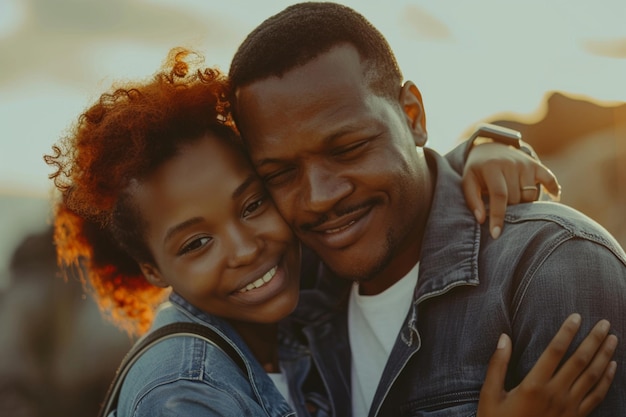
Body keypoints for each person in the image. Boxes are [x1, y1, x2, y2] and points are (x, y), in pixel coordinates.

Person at [44, 49, 612, 416]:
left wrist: (472, 156)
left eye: (253, 203)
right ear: (152, 270)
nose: (247, 249)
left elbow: (376, 181)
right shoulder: (182, 393)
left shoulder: (305, 292)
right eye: (195, 243)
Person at [228, 2, 626, 416]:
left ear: (413, 116)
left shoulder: (553, 267)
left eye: (348, 149)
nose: (318, 197)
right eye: (280, 173)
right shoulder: (290, 295)